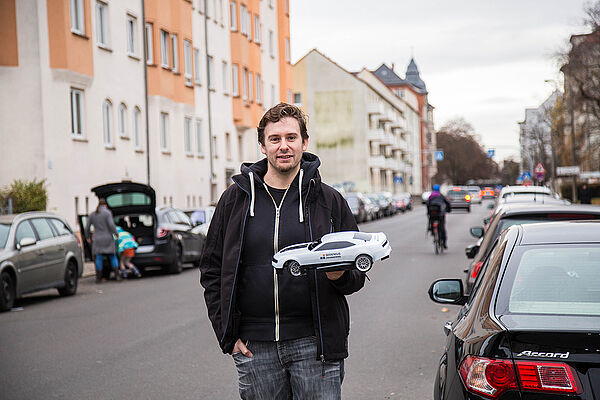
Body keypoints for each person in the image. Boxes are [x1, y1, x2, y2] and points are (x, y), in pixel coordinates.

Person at [199, 103, 365, 400]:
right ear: (262, 146)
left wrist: (339, 275)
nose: (283, 146)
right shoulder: (234, 200)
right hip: (255, 346)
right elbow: (212, 269)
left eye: (291, 137)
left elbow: (356, 275)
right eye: (275, 139)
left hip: (314, 344)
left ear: (305, 142)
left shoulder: (329, 201)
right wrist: (227, 333)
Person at [86, 198, 120, 283]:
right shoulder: (108, 213)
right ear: (105, 205)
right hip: (108, 237)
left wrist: (88, 237)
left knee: (99, 257)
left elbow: (87, 227)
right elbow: (111, 225)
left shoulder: (93, 214)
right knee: (112, 256)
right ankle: (117, 275)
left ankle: (98, 277)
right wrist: (116, 234)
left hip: (97, 238)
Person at [426, 184, 452, 249]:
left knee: (431, 221)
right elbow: (447, 203)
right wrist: (448, 210)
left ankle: (433, 231)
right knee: (442, 227)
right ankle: (444, 242)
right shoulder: (441, 196)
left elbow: (427, 204)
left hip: (432, 214)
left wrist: (428, 212)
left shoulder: (431, 196)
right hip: (440, 214)